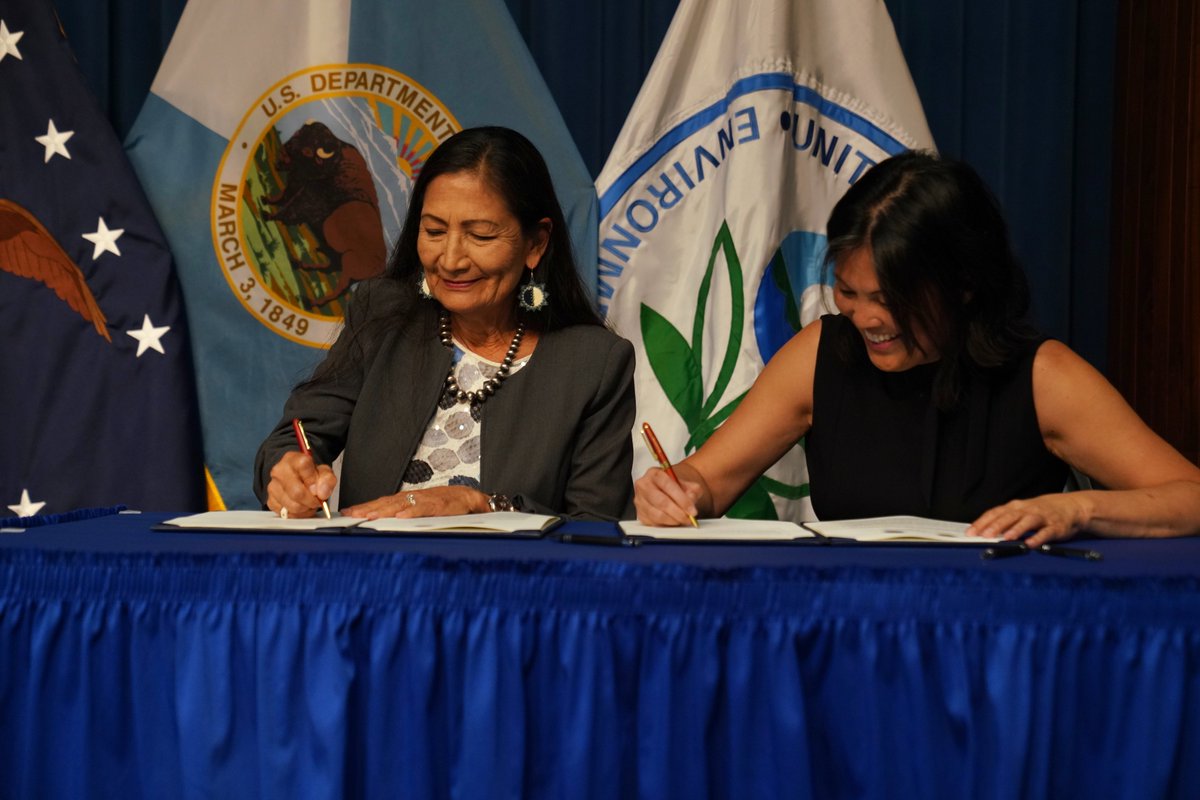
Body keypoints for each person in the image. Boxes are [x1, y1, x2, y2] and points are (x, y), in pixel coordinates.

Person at [634, 150, 1200, 545]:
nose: (868, 319)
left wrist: (1079, 509)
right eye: (849, 293)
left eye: (892, 298)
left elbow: (1189, 496)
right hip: (854, 632)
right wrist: (675, 492)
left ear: (962, 284)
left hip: (996, 643)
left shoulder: (1041, 375)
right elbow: (707, 482)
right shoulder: (821, 353)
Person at [255, 126, 636, 521]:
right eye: (434, 231)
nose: (450, 259)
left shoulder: (594, 363)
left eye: (481, 235)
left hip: (508, 581)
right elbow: (293, 437)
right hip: (369, 576)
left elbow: (598, 526)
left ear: (536, 243)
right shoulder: (380, 316)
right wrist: (287, 473)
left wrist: (483, 504)